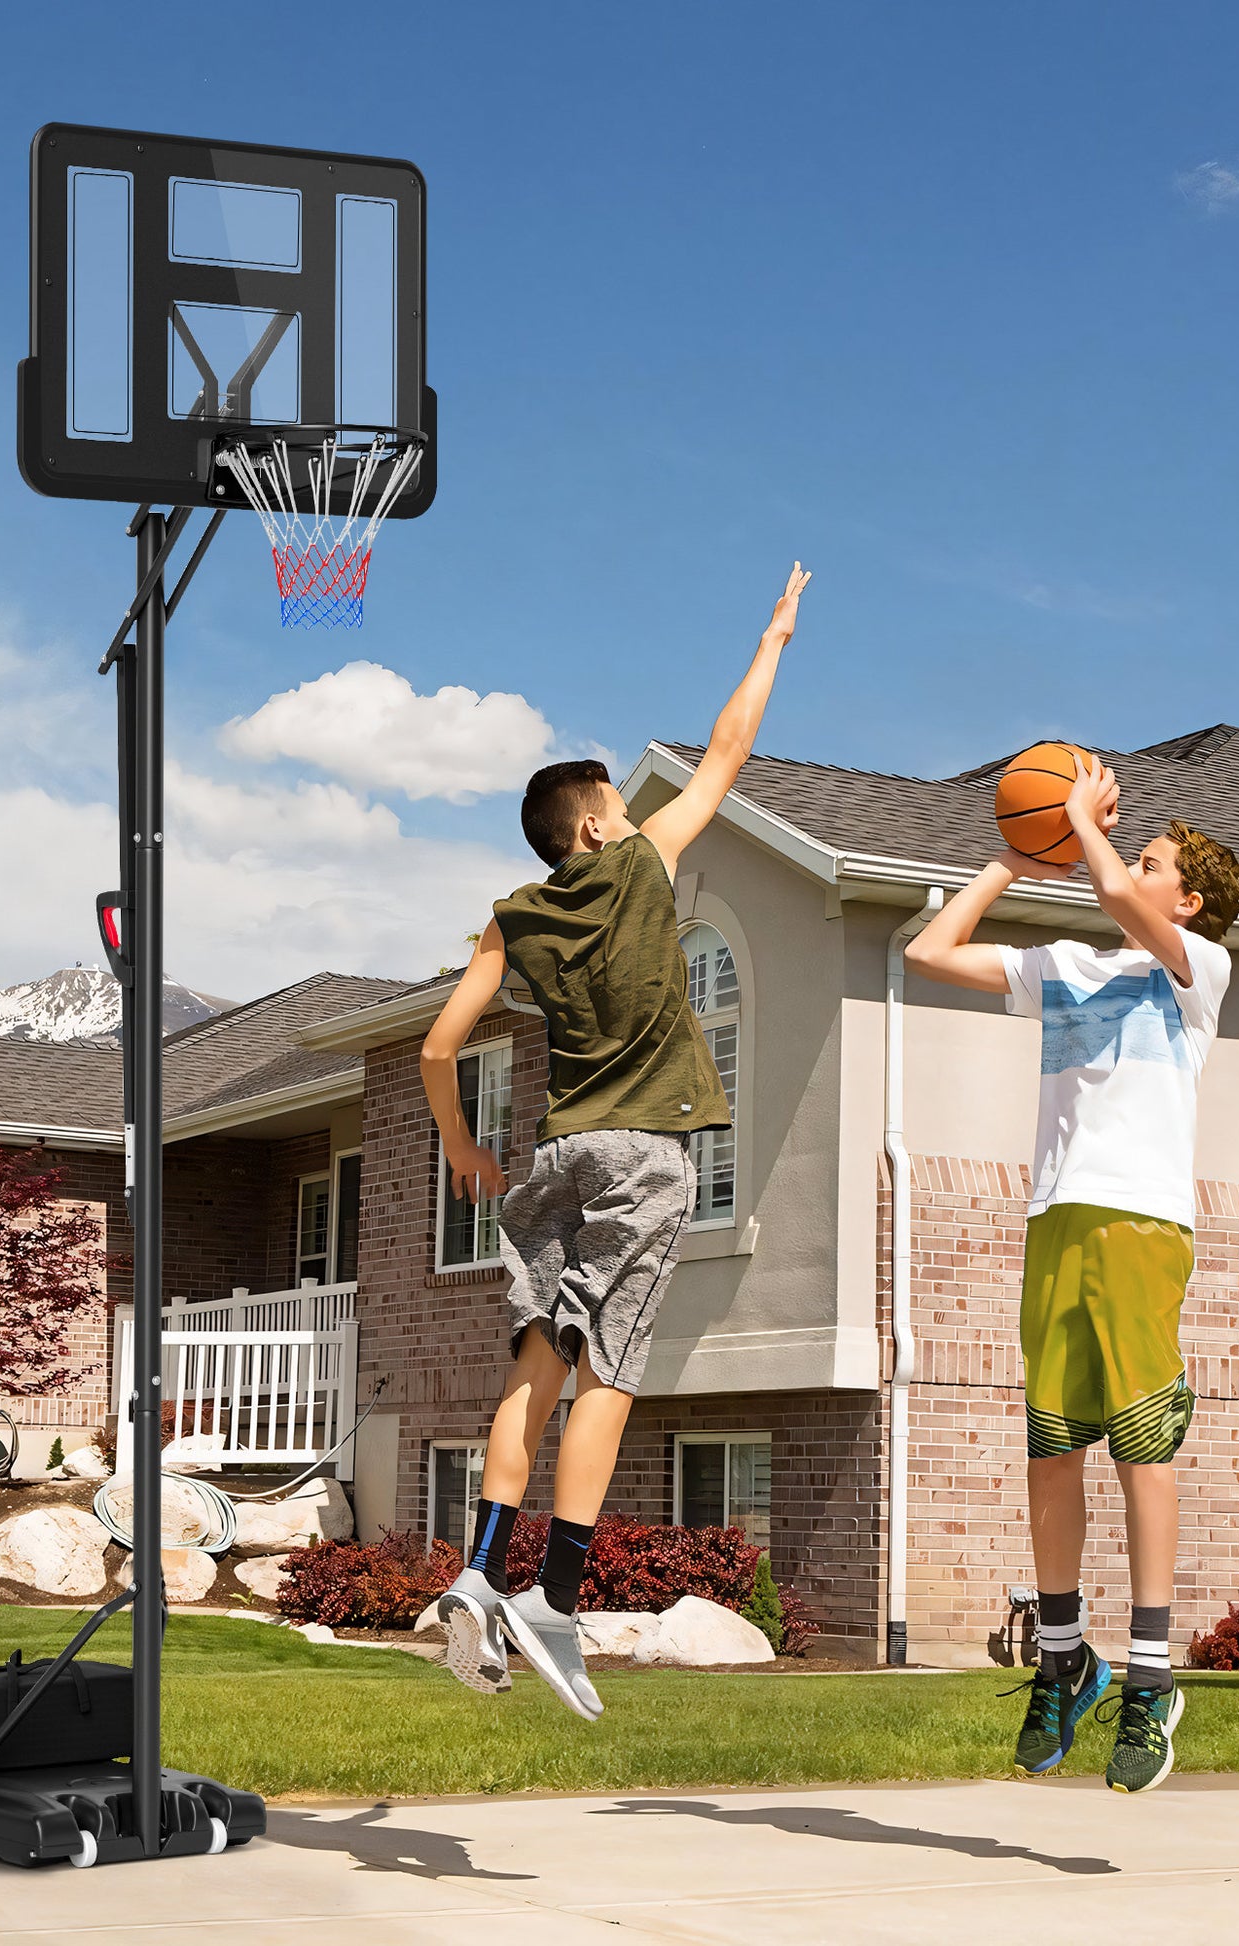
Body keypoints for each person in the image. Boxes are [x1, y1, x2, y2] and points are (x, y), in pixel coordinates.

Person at [419, 563, 812, 1718]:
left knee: (534, 1365)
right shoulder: (641, 865)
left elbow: (440, 1047)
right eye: (622, 809)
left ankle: (479, 1570)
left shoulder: (513, 914)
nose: (636, 821)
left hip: (552, 1163)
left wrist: (460, 1148)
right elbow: (727, 752)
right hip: (643, 1158)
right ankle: (553, 1592)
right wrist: (773, 635)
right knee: (610, 1374)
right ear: (597, 825)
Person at [904, 756, 1239, 1792]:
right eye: (1128, 851)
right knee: (1050, 1449)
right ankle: (1066, 1656)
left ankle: (1149, 1677)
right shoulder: (1062, 965)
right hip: (1053, 1218)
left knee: (1141, 1446)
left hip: (1141, 1225)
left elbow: (1107, 887)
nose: (1125, 866)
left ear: (1184, 901)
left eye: (1148, 859)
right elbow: (928, 948)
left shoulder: (1193, 969)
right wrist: (1009, 858)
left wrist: (1077, 820)